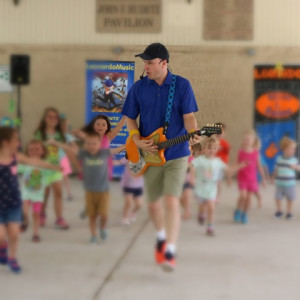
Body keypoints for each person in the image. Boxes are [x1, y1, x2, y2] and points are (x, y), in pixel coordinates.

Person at [122, 42, 199, 272]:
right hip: (150, 155)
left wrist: (193, 133)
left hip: (176, 154)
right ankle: (161, 236)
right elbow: (130, 119)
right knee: (154, 204)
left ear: (163, 63)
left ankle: (170, 251)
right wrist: (135, 138)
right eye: (144, 62)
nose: (145, 66)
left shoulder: (182, 85)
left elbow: (189, 118)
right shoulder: (138, 88)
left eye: (149, 62)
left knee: (170, 200)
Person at [0, 127, 60, 273]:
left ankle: (12, 258)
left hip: (14, 203)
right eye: (16, 140)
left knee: (14, 233)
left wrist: (53, 167)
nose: (19, 143)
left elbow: (35, 162)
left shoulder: (16, 157)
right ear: (6, 142)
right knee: (1, 235)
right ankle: (2, 247)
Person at [48, 132, 126, 242]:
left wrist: (131, 143)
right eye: (88, 143)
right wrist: (55, 143)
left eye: (94, 143)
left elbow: (118, 149)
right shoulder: (84, 154)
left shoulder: (104, 153)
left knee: (104, 216)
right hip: (89, 191)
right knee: (92, 216)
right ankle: (93, 235)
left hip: (103, 191)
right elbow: (69, 148)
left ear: (100, 144)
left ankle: (102, 228)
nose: (91, 146)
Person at [73, 114, 126, 218]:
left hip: (103, 170)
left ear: (107, 127)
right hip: (91, 169)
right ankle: (89, 207)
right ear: (93, 126)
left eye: (103, 124)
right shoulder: (90, 138)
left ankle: (97, 209)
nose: (100, 126)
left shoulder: (108, 137)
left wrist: (125, 117)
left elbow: (118, 128)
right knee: (91, 191)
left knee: (102, 191)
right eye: (98, 124)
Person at [35, 107, 77, 229]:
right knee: (45, 193)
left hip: (55, 167)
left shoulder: (60, 134)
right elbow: (34, 149)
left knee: (58, 192)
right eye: (50, 117)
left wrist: (56, 143)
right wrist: (44, 145)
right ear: (45, 118)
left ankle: (59, 218)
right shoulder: (40, 134)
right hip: (43, 168)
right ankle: (42, 214)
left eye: (55, 117)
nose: (53, 119)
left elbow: (70, 148)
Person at [19, 140, 53, 242]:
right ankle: (25, 222)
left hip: (38, 195)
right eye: (31, 150)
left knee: (36, 214)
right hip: (26, 194)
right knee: (24, 211)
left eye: (37, 149)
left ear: (43, 151)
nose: (34, 151)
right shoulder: (25, 163)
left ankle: (35, 233)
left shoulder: (45, 164)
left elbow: (50, 174)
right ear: (28, 152)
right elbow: (16, 169)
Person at [233, 129, 266, 224]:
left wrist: (263, 178)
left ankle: (244, 213)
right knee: (243, 196)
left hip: (252, 179)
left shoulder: (256, 153)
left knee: (249, 198)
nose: (246, 141)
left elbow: (259, 166)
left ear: (253, 141)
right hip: (242, 178)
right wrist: (230, 176)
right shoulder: (241, 152)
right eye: (244, 139)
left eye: (248, 139)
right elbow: (235, 164)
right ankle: (238, 210)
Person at [272, 137, 300, 220]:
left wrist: (296, 167)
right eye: (291, 149)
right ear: (284, 149)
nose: (293, 151)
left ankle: (289, 212)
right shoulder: (279, 159)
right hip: (280, 183)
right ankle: (279, 211)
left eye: (294, 149)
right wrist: (272, 178)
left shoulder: (294, 160)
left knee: (290, 199)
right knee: (278, 198)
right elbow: (276, 170)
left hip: (290, 184)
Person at [119, 158, 144, 225]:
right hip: (128, 185)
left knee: (139, 204)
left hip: (138, 185)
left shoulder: (144, 159)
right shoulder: (128, 158)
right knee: (128, 202)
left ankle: (133, 212)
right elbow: (120, 161)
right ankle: (125, 217)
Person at [215, 122, 230, 203]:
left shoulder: (224, 143)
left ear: (224, 133)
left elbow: (227, 153)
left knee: (218, 180)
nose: (218, 133)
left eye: (220, 131)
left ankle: (217, 196)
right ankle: (212, 195)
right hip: (212, 163)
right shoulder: (212, 141)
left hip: (220, 164)